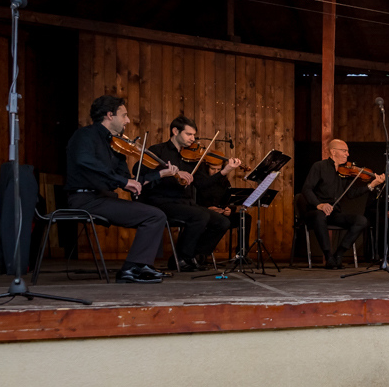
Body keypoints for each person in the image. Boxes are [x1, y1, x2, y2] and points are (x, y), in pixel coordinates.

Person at [65, 95, 177, 284]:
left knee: (155, 215)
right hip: (84, 199)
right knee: (154, 216)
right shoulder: (85, 135)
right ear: (110, 115)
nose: (127, 121)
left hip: (103, 199)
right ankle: (132, 269)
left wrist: (159, 174)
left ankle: (139, 266)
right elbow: (84, 161)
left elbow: (130, 181)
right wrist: (121, 181)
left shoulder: (116, 146)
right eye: (124, 115)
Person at [143, 117, 238, 271]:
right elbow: (140, 172)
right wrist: (168, 173)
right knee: (200, 216)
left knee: (223, 222)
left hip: (185, 203)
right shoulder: (158, 151)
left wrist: (224, 171)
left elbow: (201, 184)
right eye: (189, 134)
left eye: (194, 135)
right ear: (175, 131)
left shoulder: (192, 157)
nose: (193, 139)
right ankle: (182, 258)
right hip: (162, 201)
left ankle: (192, 256)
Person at [297, 139, 385, 269]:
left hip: (333, 213)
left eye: (347, 151)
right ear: (333, 152)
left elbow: (351, 194)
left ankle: (338, 255)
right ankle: (328, 257)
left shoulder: (345, 172)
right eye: (344, 151)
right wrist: (319, 205)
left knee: (361, 220)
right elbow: (307, 189)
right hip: (314, 212)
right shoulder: (319, 166)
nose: (347, 154)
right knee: (319, 216)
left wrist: (372, 185)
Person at [194, 148, 250, 261]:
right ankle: (200, 255)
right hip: (203, 214)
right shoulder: (200, 179)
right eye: (213, 169)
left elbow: (229, 199)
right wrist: (207, 209)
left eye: (219, 169)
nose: (216, 172)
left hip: (220, 215)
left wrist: (230, 209)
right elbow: (193, 201)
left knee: (245, 217)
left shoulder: (223, 181)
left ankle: (241, 255)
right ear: (206, 168)